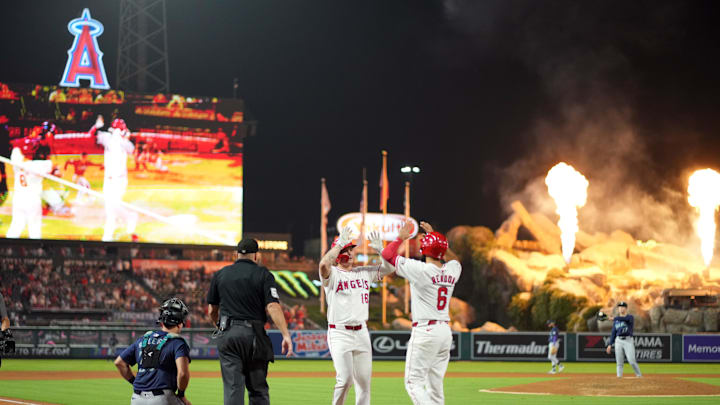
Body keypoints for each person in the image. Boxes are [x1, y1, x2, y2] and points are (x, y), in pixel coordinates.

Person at [381, 221, 461, 405]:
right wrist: (436, 238)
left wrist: (401, 237)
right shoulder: (452, 270)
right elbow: (455, 259)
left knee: (413, 383)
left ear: (424, 249)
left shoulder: (420, 270)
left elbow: (387, 255)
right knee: (435, 386)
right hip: (444, 332)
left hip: (426, 331)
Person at [207, 238, 293, 405]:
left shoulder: (220, 274)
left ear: (236, 254)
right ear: (256, 256)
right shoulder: (263, 274)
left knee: (233, 389)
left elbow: (212, 310)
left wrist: (219, 326)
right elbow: (273, 306)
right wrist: (285, 334)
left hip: (228, 334)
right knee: (258, 390)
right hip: (254, 335)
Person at [319, 227, 397, 405]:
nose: (351, 253)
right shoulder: (332, 274)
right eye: (347, 250)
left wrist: (381, 250)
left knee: (364, 384)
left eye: (351, 250)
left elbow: (390, 268)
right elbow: (323, 265)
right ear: (338, 254)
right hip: (339, 333)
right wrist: (339, 245)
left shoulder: (363, 272)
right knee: (345, 380)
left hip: (361, 332)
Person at [114, 298, 192, 405]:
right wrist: (181, 394)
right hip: (162, 398)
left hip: (136, 398)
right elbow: (183, 373)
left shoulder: (143, 339)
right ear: (180, 323)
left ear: (161, 322)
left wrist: (135, 382)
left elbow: (119, 363)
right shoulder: (178, 343)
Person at [89, 115, 138, 241]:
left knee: (113, 207)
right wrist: (97, 127)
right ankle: (128, 219)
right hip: (108, 180)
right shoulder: (109, 138)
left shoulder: (123, 143)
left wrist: (97, 127)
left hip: (120, 181)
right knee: (110, 209)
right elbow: (92, 136)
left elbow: (131, 149)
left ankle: (109, 235)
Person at [6, 143, 53, 239]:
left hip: (18, 199)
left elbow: (15, 151)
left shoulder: (17, 163)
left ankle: (6, 249)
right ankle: (36, 251)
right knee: (34, 228)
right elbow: (50, 165)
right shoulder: (42, 165)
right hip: (32, 199)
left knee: (16, 226)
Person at [605, 301, 642, 378]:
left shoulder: (630, 317)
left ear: (626, 308)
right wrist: (610, 344)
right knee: (619, 362)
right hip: (618, 341)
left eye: (623, 307)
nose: (621, 308)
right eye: (619, 307)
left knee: (631, 361)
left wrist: (614, 318)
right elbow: (613, 333)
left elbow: (625, 319)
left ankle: (639, 375)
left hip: (628, 340)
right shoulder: (616, 321)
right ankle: (619, 378)